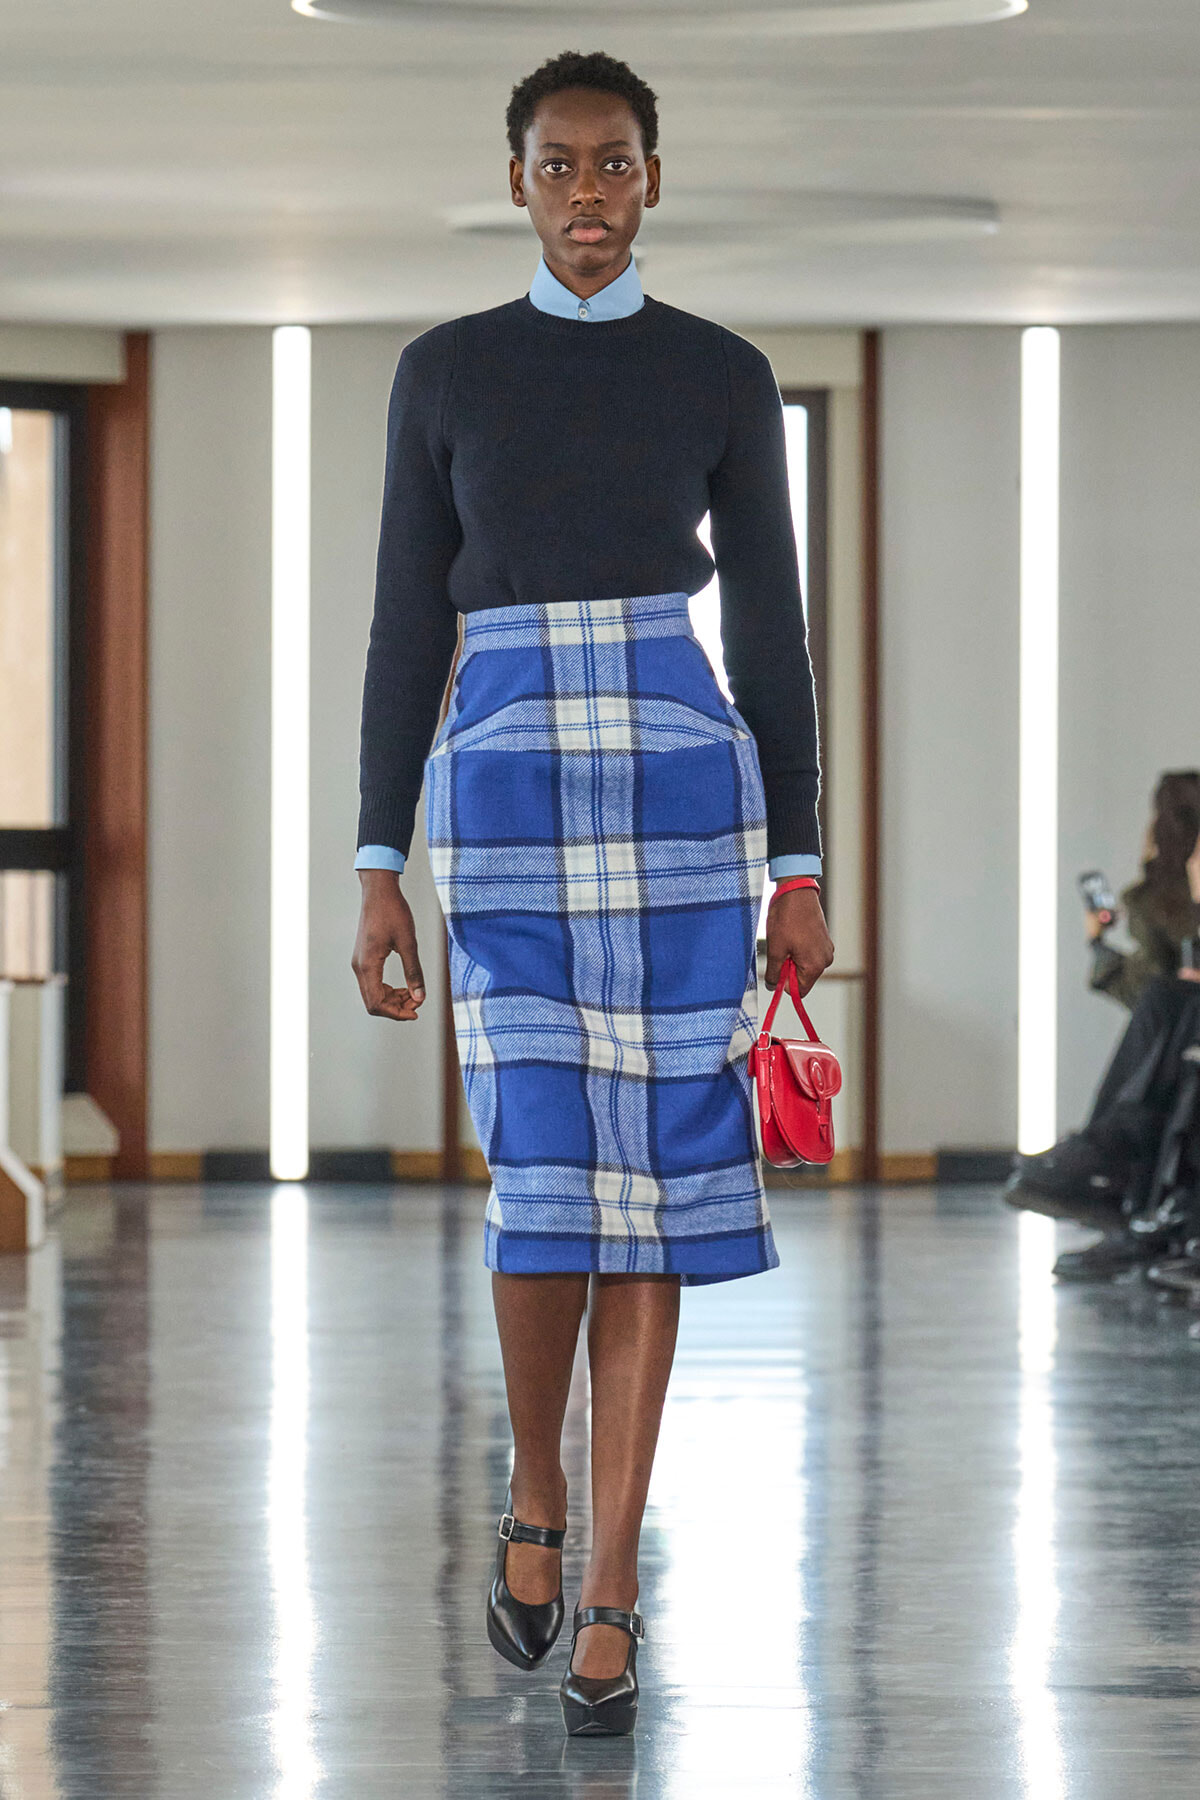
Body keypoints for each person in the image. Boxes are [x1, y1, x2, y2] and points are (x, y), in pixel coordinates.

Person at [350, 51, 833, 1736]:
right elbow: (409, 627)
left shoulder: (721, 372)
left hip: (684, 794)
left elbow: (769, 632)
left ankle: (614, 1577)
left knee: (665, 1188)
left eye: (613, 163)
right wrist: (373, 864)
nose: (585, 192)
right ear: (516, 181)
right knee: (547, 1169)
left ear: (650, 179)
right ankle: (533, 1495)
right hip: (500, 796)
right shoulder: (444, 375)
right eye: (556, 165)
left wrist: (799, 862)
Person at [1009, 772, 1200, 1246]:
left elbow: (1140, 993)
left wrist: (1099, 945)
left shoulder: (1157, 901)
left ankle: (1103, 1163)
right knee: (1169, 1003)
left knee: (1164, 1002)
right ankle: (1105, 1163)